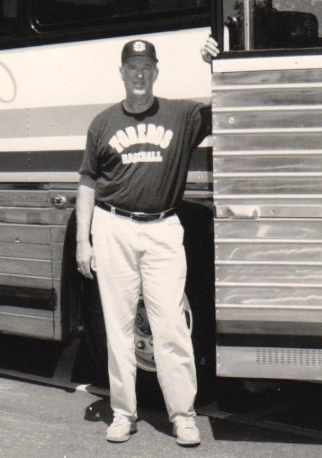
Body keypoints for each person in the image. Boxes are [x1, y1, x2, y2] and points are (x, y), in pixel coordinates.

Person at [76, 36, 218, 446]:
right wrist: (83, 242)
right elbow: (88, 181)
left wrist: (216, 65)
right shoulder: (102, 123)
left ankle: (183, 416)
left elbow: (227, 108)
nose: (139, 75)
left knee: (171, 324)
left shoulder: (182, 114)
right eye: (132, 68)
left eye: (146, 68)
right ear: (122, 74)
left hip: (163, 228)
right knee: (118, 328)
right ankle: (123, 413)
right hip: (112, 226)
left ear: (156, 72)